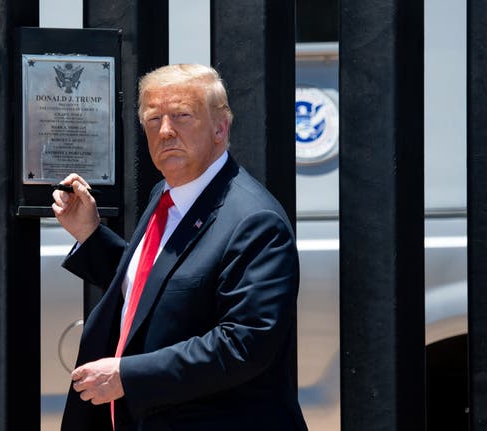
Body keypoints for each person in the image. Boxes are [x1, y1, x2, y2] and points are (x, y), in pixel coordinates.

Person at [52, 64, 307, 431]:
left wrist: (128, 375)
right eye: (154, 119)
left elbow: (244, 344)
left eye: (182, 116)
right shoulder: (168, 193)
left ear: (221, 128)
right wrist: (91, 235)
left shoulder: (254, 220)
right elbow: (159, 290)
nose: (166, 131)